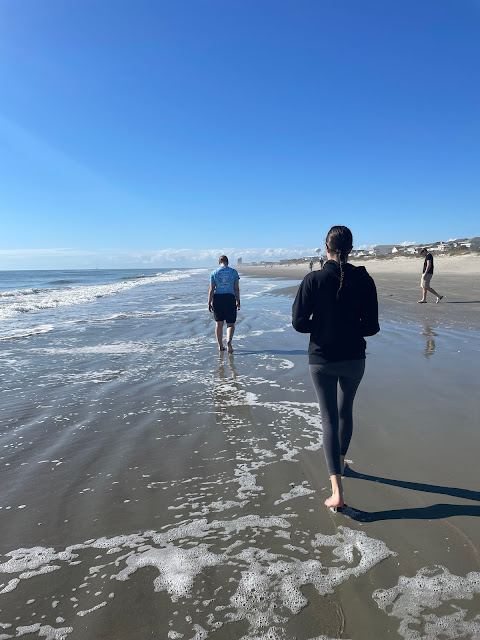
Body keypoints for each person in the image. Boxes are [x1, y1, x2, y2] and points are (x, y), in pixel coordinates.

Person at [292, 226, 379, 509]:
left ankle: (337, 491)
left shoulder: (313, 279)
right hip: (355, 358)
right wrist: (349, 327)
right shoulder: (364, 279)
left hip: (322, 358)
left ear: (326, 248)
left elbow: (299, 322)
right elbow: (372, 327)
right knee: (345, 412)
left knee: (328, 418)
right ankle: (342, 464)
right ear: (351, 248)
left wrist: (324, 325)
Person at [208, 255, 240, 353]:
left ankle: (220, 346)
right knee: (230, 323)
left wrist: (209, 302)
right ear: (227, 262)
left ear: (219, 262)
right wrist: (238, 301)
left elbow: (211, 289)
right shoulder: (233, 272)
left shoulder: (214, 273)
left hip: (218, 298)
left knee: (219, 323)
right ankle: (229, 341)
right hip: (230, 297)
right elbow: (236, 288)